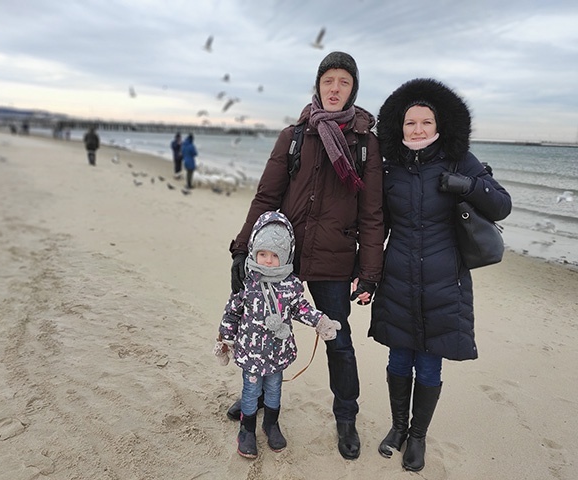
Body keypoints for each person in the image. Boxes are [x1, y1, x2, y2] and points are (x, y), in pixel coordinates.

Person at [226, 51, 385, 460]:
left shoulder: (366, 144)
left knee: (339, 342)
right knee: (262, 329)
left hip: (335, 259)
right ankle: (256, 398)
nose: (335, 88)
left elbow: (372, 214)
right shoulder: (294, 136)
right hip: (283, 258)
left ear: (353, 89)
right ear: (318, 84)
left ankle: (346, 418)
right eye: (328, 80)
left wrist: (369, 272)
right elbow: (267, 196)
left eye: (344, 82)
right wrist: (242, 249)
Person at [369, 78, 512, 472]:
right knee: (399, 356)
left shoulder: (459, 159)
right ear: (399, 126)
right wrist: (367, 275)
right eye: (410, 122)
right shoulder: (390, 166)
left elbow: (501, 205)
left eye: (425, 122)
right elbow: (377, 223)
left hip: (444, 280)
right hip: (398, 276)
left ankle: (417, 437)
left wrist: (467, 185)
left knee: (430, 362)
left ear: (439, 124)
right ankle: (398, 428)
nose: (418, 129)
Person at [215, 211, 342, 459]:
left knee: (274, 389)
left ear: (285, 256)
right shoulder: (246, 282)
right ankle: (246, 430)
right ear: (254, 251)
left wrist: (320, 322)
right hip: (251, 353)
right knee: (251, 391)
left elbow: (301, 308)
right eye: (263, 254)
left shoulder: (290, 284)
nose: (268, 260)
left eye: (275, 256)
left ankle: (271, 424)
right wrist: (225, 339)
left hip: (277, 352)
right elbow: (231, 312)